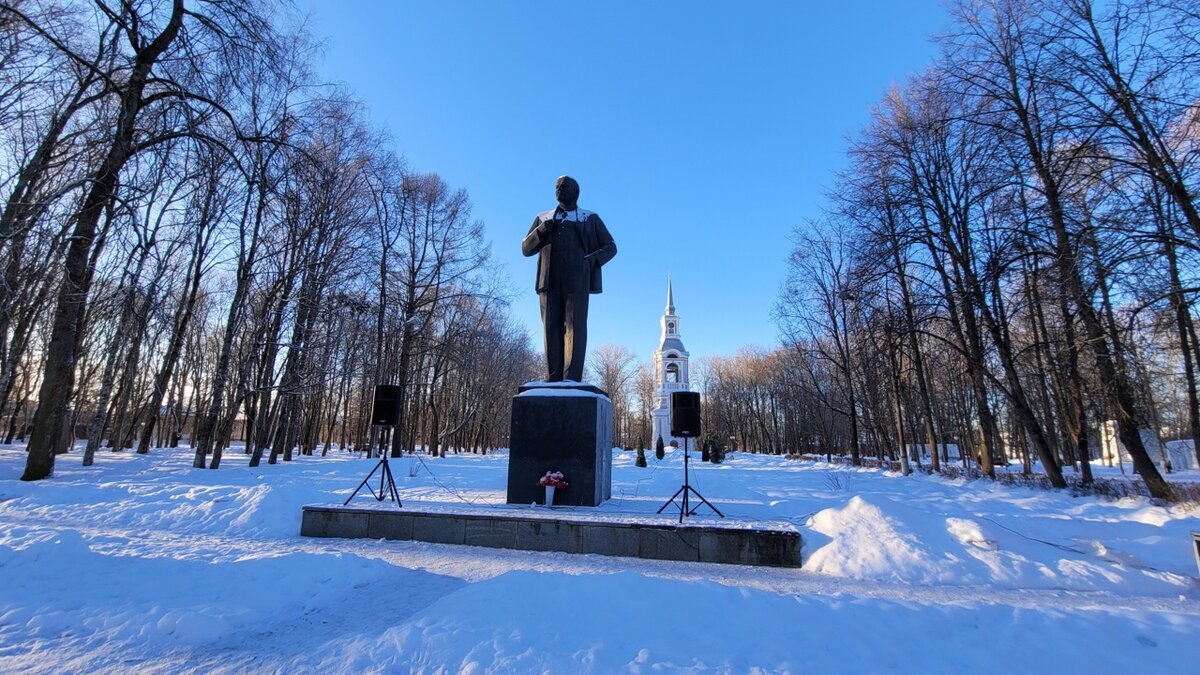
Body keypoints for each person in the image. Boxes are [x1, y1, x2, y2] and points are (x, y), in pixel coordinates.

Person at [521, 176, 617, 382]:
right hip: (549, 281)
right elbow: (526, 249)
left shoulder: (590, 218)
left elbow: (611, 246)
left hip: (577, 281)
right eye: (556, 187)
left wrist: (592, 260)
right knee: (550, 327)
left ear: (576, 192)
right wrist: (541, 231)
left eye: (564, 187)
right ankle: (553, 377)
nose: (559, 190)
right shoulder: (543, 218)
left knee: (575, 327)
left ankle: (572, 377)